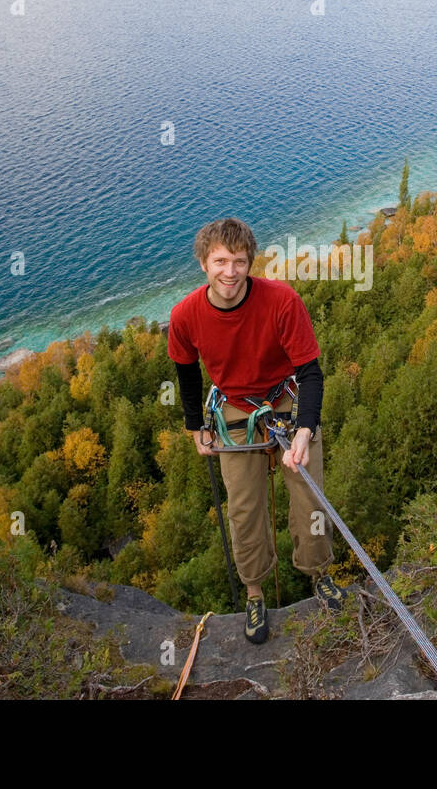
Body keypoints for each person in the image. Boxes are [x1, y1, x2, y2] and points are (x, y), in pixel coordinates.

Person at [166, 217, 346, 643]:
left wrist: (304, 430)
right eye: (220, 261)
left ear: (251, 263)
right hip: (234, 410)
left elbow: (310, 372)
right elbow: (187, 373)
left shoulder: (282, 301)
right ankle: (254, 592)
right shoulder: (186, 315)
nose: (230, 271)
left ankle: (318, 574)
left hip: (283, 400)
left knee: (310, 498)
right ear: (204, 264)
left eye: (239, 262)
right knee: (244, 510)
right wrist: (196, 429)